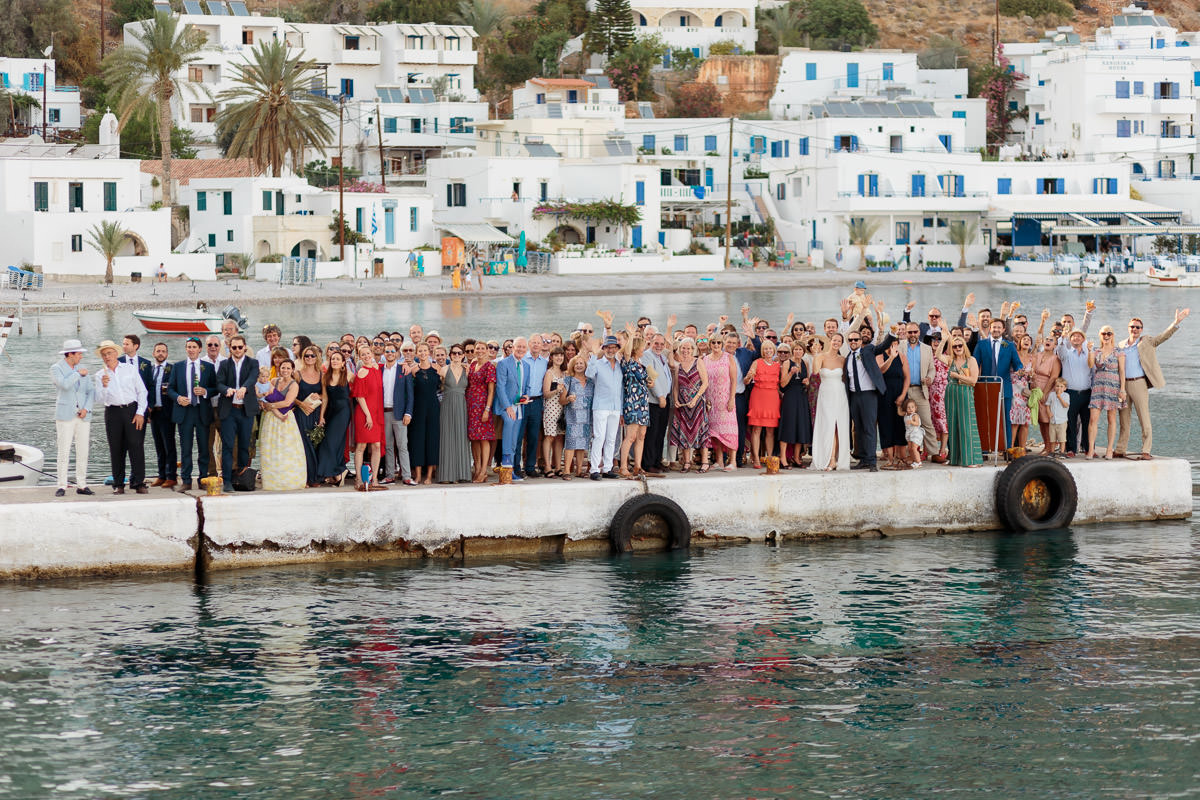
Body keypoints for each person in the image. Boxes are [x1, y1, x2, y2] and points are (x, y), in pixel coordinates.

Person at [1114, 308, 1189, 460]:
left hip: (1139, 383)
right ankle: (1120, 449)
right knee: (1123, 419)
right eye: (1132, 326)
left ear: (1141, 330)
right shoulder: (1121, 345)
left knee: (1144, 417)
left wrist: (1176, 322)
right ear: (1128, 328)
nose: (1134, 329)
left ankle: (1146, 450)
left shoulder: (1147, 341)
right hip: (1122, 386)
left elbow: (1163, 336)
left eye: (1137, 327)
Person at [94, 339, 149, 494]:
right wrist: (104, 386)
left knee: (136, 445)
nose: (107, 357)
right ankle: (118, 483)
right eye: (104, 354)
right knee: (116, 448)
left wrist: (140, 412)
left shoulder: (130, 369)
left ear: (116, 353)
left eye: (110, 353)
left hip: (131, 409)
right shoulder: (99, 375)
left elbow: (142, 391)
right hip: (112, 412)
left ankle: (139, 482)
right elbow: (99, 399)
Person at [168, 337, 217, 492]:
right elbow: (170, 388)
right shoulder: (178, 366)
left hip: (202, 410)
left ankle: (203, 479)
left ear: (200, 349)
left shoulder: (208, 367)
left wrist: (205, 391)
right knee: (186, 447)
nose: (191, 349)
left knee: (204, 447)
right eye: (188, 347)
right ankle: (186, 480)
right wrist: (178, 397)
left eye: (194, 347)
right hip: (185, 411)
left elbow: (215, 388)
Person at [50, 339, 95, 497]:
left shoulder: (82, 369)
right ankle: (62, 485)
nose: (81, 357)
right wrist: (77, 374)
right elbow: (64, 385)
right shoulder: (56, 368)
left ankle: (82, 484)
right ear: (70, 354)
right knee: (64, 451)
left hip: (83, 416)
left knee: (83, 450)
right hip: (65, 415)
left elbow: (91, 391)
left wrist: (86, 409)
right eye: (79, 354)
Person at [216, 335, 260, 493]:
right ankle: (227, 481)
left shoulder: (253, 363)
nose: (237, 350)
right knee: (227, 446)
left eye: (240, 347)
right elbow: (219, 382)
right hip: (229, 410)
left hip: (246, 411)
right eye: (233, 347)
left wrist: (244, 388)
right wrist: (226, 389)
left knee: (244, 445)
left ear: (245, 347)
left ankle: (242, 478)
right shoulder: (224, 364)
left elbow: (252, 378)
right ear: (229, 348)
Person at [259, 358, 307, 491]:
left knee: (287, 449)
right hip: (271, 419)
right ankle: (272, 481)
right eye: (283, 368)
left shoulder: (294, 385)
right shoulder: (274, 381)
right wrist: (264, 405)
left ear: (292, 370)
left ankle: (288, 480)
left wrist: (271, 405)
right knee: (271, 448)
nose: (285, 370)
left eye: (288, 368)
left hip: (285, 419)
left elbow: (287, 402)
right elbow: (264, 395)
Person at [972, 318, 1019, 448]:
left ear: (1003, 330)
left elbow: (1017, 364)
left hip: (1005, 387)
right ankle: (985, 449)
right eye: (994, 327)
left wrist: (1020, 370)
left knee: (1006, 420)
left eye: (999, 327)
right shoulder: (982, 344)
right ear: (990, 328)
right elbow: (974, 363)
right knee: (985, 418)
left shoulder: (1009, 345)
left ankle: (1007, 449)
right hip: (985, 387)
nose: (996, 329)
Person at [843, 330, 884, 471]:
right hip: (854, 396)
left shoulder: (868, 351)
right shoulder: (848, 357)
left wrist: (892, 333)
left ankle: (872, 462)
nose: (853, 342)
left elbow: (882, 347)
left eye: (856, 339)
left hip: (868, 395)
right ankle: (863, 459)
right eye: (850, 340)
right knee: (858, 429)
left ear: (861, 341)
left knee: (869, 428)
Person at [585, 332, 624, 480]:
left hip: (615, 407)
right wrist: (594, 355)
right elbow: (589, 374)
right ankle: (594, 469)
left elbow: (621, 388)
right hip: (601, 405)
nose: (611, 350)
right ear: (604, 348)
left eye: (614, 347)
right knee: (599, 437)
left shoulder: (620, 366)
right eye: (608, 347)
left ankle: (607, 468)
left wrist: (621, 411)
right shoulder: (598, 363)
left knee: (611, 439)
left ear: (617, 349)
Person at [669, 337, 710, 472]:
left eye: (688, 348)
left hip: (697, 402)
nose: (685, 350)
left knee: (701, 432)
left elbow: (705, 383)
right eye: (683, 348)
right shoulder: (678, 366)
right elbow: (676, 386)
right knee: (684, 432)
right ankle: (687, 462)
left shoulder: (698, 362)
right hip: (682, 403)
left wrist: (696, 398)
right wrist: (676, 400)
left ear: (693, 349)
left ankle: (705, 462)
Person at [811, 333, 850, 471]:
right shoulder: (821, 356)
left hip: (840, 394)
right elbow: (815, 372)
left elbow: (846, 378)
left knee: (838, 426)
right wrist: (815, 354)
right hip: (825, 394)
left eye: (839, 341)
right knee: (827, 424)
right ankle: (827, 457)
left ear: (841, 343)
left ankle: (834, 459)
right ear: (830, 341)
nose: (836, 342)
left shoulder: (843, 359)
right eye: (834, 340)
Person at [351, 343, 387, 491]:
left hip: (377, 412)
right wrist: (368, 416)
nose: (366, 356)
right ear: (360, 357)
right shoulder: (361, 372)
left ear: (372, 354)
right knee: (362, 446)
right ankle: (358, 479)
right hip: (365, 413)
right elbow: (359, 396)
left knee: (377, 445)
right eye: (363, 354)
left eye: (368, 353)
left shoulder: (377, 369)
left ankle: (375, 479)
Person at [942, 335, 983, 467]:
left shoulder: (971, 360)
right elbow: (937, 355)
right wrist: (944, 339)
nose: (958, 348)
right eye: (955, 346)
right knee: (953, 426)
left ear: (964, 346)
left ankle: (970, 459)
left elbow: (973, 380)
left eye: (960, 345)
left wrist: (957, 375)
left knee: (967, 425)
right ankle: (956, 459)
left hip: (965, 392)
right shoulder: (950, 360)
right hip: (951, 394)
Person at [1087, 326, 1126, 460]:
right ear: (1100, 335)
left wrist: (1122, 389)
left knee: (1111, 419)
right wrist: (1089, 351)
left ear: (1112, 335)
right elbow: (1090, 365)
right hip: (1098, 387)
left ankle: (1110, 450)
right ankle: (1091, 450)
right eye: (1104, 333)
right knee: (1093, 419)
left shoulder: (1118, 352)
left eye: (1109, 333)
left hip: (1113, 387)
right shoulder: (1096, 351)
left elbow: (1122, 371)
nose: (1106, 335)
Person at [494, 336, 530, 479]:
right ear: (513, 348)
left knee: (515, 438)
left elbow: (526, 386)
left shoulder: (526, 366)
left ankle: (511, 471)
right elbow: (500, 387)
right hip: (505, 406)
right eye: (518, 346)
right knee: (508, 426)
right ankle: (505, 465)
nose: (520, 349)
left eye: (523, 347)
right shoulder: (504, 364)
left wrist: (526, 396)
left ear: (526, 349)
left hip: (519, 406)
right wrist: (508, 406)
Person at [618, 330, 652, 478]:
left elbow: (644, 381)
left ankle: (638, 466)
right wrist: (631, 336)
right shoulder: (628, 361)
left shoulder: (641, 364)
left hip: (643, 402)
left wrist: (649, 383)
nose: (644, 348)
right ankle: (623, 466)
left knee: (641, 435)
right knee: (630, 436)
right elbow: (626, 352)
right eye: (643, 346)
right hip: (632, 402)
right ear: (637, 348)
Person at [316, 350, 352, 486]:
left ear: (343, 362)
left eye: (338, 359)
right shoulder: (326, 377)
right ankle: (337, 474)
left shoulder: (348, 375)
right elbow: (325, 399)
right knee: (334, 443)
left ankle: (339, 471)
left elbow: (361, 388)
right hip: (330, 412)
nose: (335, 361)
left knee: (330, 442)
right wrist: (321, 417)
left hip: (343, 412)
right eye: (333, 359)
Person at [437, 343, 472, 483]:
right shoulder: (444, 370)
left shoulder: (467, 370)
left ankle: (462, 474)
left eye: (459, 353)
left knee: (461, 437)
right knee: (447, 437)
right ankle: (446, 475)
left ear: (463, 355)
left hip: (462, 406)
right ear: (450, 355)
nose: (456, 355)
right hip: (447, 405)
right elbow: (438, 388)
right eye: (454, 353)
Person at [704, 332, 739, 471]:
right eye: (714, 342)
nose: (716, 345)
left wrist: (731, 399)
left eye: (719, 343)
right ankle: (719, 461)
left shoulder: (728, 357)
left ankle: (733, 462)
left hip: (725, 399)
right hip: (711, 401)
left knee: (729, 429)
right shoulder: (705, 359)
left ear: (722, 344)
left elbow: (734, 380)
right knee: (715, 432)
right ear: (710, 344)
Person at [1056, 328, 1092, 457]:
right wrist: (1063, 338)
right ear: (1070, 340)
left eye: (1079, 336)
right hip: (1071, 393)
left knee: (1087, 421)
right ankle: (1071, 449)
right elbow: (1060, 351)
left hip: (1087, 392)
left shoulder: (1088, 353)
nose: (1076, 338)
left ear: (1083, 339)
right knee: (1070, 422)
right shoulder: (1066, 354)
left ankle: (1088, 448)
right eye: (1074, 336)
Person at [744, 339, 780, 469]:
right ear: (762, 351)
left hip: (772, 398)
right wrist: (749, 376)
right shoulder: (757, 363)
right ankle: (756, 459)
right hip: (758, 396)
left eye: (770, 348)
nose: (768, 351)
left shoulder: (777, 365)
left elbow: (780, 384)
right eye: (765, 349)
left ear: (774, 350)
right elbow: (746, 381)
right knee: (757, 429)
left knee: (770, 430)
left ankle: (769, 457)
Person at [409, 343, 441, 485]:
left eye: (425, 351)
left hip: (434, 407)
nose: (422, 353)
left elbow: (446, 383)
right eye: (420, 351)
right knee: (417, 440)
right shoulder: (413, 370)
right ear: (416, 354)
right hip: (418, 408)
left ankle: (429, 475)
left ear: (429, 352)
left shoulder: (437, 369)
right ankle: (417, 475)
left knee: (432, 440)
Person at [875, 337, 909, 469]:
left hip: (900, 394)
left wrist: (903, 395)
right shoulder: (880, 356)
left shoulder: (902, 357)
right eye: (891, 344)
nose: (893, 347)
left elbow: (907, 377)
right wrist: (891, 358)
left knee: (900, 425)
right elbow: (881, 370)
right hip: (884, 395)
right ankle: (890, 459)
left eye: (895, 344)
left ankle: (902, 457)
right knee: (885, 424)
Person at [146, 342, 177, 488]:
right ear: (153, 353)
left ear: (167, 354)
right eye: (158, 351)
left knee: (168, 444)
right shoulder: (149, 370)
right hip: (154, 412)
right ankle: (161, 474)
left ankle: (171, 476)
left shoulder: (172, 369)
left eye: (163, 351)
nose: (160, 353)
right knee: (158, 445)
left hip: (167, 411)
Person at [777, 342, 812, 468]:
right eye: (796, 349)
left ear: (803, 351)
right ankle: (783, 458)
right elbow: (782, 384)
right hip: (790, 397)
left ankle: (797, 458)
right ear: (792, 351)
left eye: (800, 349)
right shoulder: (787, 363)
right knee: (788, 426)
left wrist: (807, 382)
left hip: (801, 397)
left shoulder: (805, 363)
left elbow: (808, 381)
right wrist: (791, 373)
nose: (798, 351)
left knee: (800, 426)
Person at [294, 345, 324, 487]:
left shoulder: (321, 374)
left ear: (317, 357)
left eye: (312, 356)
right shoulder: (297, 374)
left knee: (315, 444)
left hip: (316, 413)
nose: (310, 358)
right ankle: (305, 477)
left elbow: (326, 396)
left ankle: (315, 476)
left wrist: (320, 395)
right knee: (304, 445)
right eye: (307, 356)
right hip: (301, 413)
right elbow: (290, 396)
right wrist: (301, 404)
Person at [518, 334, 549, 478]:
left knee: (533, 436)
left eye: (539, 343)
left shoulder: (545, 362)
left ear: (542, 345)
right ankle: (515, 466)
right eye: (533, 342)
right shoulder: (522, 359)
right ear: (529, 344)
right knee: (518, 436)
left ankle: (530, 466)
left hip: (537, 402)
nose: (536, 345)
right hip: (522, 401)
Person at [467, 340, 496, 483]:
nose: (479, 351)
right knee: (474, 438)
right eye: (477, 348)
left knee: (484, 438)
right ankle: (477, 467)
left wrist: (487, 409)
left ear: (486, 350)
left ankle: (484, 470)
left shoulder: (489, 367)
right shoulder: (472, 365)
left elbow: (491, 391)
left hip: (483, 405)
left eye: (482, 348)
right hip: (471, 405)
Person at [559, 355, 593, 480]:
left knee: (583, 444)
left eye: (581, 363)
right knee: (571, 443)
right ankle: (566, 470)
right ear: (572, 366)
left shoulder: (591, 382)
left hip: (587, 417)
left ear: (585, 365)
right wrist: (568, 399)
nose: (579, 365)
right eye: (576, 363)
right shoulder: (568, 380)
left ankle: (579, 470)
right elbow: (561, 400)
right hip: (572, 416)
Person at [1029, 333, 1061, 450]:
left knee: (1047, 420)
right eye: (1047, 339)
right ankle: (1046, 446)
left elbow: (1053, 377)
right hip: (1034, 388)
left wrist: (1045, 393)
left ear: (1055, 345)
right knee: (1040, 420)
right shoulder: (1037, 355)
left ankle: (1050, 447)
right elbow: (1030, 367)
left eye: (1051, 340)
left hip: (1046, 388)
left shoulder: (1055, 359)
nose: (1048, 341)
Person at [541, 347, 567, 477]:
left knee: (559, 438)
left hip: (562, 409)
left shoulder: (565, 373)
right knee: (549, 436)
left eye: (561, 356)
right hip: (551, 408)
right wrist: (557, 390)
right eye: (556, 355)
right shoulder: (549, 373)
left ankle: (558, 466)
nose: (559, 358)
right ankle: (547, 466)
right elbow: (545, 394)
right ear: (552, 358)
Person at [1009, 334, 1034, 449]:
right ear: (1019, 342)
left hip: (1025, 390)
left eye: (1028, 340)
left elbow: (1032, 377)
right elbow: (1007, 371)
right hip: (1014, 388)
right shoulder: (1014, 354)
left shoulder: (1032, 357)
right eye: (1024, 339)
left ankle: (1022, 449)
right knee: (1014, 422)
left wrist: (1031, 376)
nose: (1026, 341)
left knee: (1025, 422)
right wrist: (1016, 373)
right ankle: (1011, 448)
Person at [1047, 377, 1069, 457]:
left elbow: (1065, 405)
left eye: (1061, 386)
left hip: (1062, 421)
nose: (1059, 388)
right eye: (1057, 386)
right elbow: (1047, 405)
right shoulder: (1051, 395)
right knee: (1052, 438)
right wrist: (1049, 412)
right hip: (1053, 421)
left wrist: (1059, 397)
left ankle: (1062, 452)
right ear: (1054, 387)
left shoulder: (1066, 395)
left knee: (1062, 438)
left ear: (1065, 388)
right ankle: (1052, 452)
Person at [901, 398, 923, 467]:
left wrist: (911, 422)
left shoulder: (915, 415)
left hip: (916, 434)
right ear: (905, 408)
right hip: (909, 434)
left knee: (914, 448)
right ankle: (914, 460)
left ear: (915, 408)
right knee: (910, 449)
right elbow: (899, 412)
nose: (911, 409)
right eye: (908, 407)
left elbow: (917, 423)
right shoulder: (906, 415)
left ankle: (918, 462)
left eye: (912, 407)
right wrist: (898, 406)